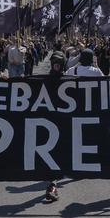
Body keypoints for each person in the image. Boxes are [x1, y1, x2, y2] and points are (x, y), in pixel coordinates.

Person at [43, 52, 70, 203]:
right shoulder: (45, 80)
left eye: (59, 63)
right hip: (49, 123)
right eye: (55, 63)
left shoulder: (69, 80)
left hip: (65, 122)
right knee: (52, 153)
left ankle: (54, 182)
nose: (56, 66)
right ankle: (52, 184)